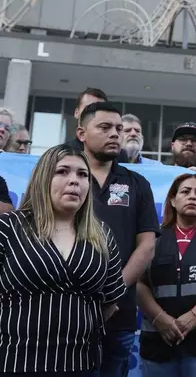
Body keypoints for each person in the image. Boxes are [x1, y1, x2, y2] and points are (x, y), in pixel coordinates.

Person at [0, 144, 126, 375]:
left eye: (82, 174)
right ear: (42, 178)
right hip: (14, 362)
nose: (74, 181)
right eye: (62, 172)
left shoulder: (102, 236)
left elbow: (110, 301)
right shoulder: (8, 228)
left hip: (82, 365)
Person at [77, 101, 160, 377]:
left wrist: (114, 292)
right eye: (104, 127)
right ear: (82, 134)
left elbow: (147, 246)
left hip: (120, 314)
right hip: (66, 315)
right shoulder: (63, 178)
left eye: (118, 128)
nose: (115, 134)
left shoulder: (137, 184)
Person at [138, 174, 196, 377]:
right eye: (185, 192)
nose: (192, 196)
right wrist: (160, 318)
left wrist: (194, 317)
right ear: (172, 200)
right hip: (158, 342)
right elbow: (139, 282)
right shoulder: (152, 238)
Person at [68, 88, 130, 163]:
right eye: (89, 107)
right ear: (76, 113)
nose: (96, 113)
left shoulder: (120, 154)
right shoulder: (64, 153)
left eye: (100, 108)